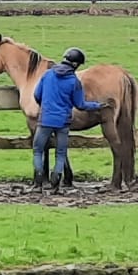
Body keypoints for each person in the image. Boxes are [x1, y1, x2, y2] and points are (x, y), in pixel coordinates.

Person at [33, 47, 106, 189]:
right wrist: (98, 105)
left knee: (38, 150)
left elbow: (37, 95)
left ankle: (39, 180)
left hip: (45, 120)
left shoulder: (47, 75)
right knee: (60, 153)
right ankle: (56, 182)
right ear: (75, 65)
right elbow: (80, 105)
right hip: (63, 122)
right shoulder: (74, 82)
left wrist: (46, 106)